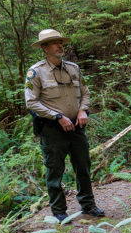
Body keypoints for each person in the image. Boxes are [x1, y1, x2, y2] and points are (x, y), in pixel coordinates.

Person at [24, 28, 106, 222]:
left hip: (77, 127)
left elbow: (85, 92)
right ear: (44, 48)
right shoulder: (36, 72)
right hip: (53, 130)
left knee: (83, 167)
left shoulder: (73, 68)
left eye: (60, 42)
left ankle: (88, 205)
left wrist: (82, 110)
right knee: (54, 170)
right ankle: (59, 211)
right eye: (54, 42)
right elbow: (31, 102)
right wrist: (58, 116)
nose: (59, 45)